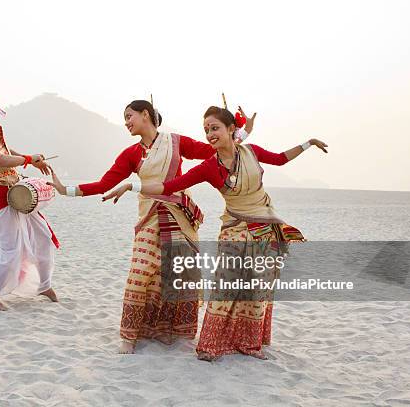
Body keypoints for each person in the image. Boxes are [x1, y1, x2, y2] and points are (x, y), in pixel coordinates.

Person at [104, 105, 328, 360]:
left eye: (215, 128)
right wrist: (132, 186)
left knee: (257, 286)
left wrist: (307, 143)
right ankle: (210, 345)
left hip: (264, 223)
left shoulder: (251, 152)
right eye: (206, 129)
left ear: (231, 129)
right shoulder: (209, 166)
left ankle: (249, 343)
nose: (209, 134)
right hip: (234, 224)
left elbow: (280, 158)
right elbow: (170, 185)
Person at [49, 100, 255, 353]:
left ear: (145, 114)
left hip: (179, 214)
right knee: (141, 271)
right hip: (150, 214)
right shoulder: (131, 154)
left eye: (129, 116)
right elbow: (105, 184)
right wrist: (65, 190)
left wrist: (241, 130)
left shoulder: (177, 142)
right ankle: (131, 335)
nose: (126, 122)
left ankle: (171, 330)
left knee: (179, 273)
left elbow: (214, 148)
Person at [0, 90, 59, 311]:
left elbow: (7, 151)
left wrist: (31, 160)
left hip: (16, 190)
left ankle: (44, 285)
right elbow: (2, 159)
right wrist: (28, 159)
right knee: (10, 248)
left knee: (43, 236)